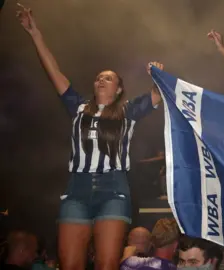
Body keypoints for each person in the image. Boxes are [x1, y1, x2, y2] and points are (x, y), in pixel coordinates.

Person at [17, 4, 163, 270]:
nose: (100, 81)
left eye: (107, 78)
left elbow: (159, 94)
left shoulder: (128, 111)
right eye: (98, 78)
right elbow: (55, 73)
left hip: (114, 189)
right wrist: (35, 33)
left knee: (107, 263)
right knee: (70, 264)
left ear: (119, 89)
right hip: (77, 189)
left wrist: (158, 74)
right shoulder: (78, 106)